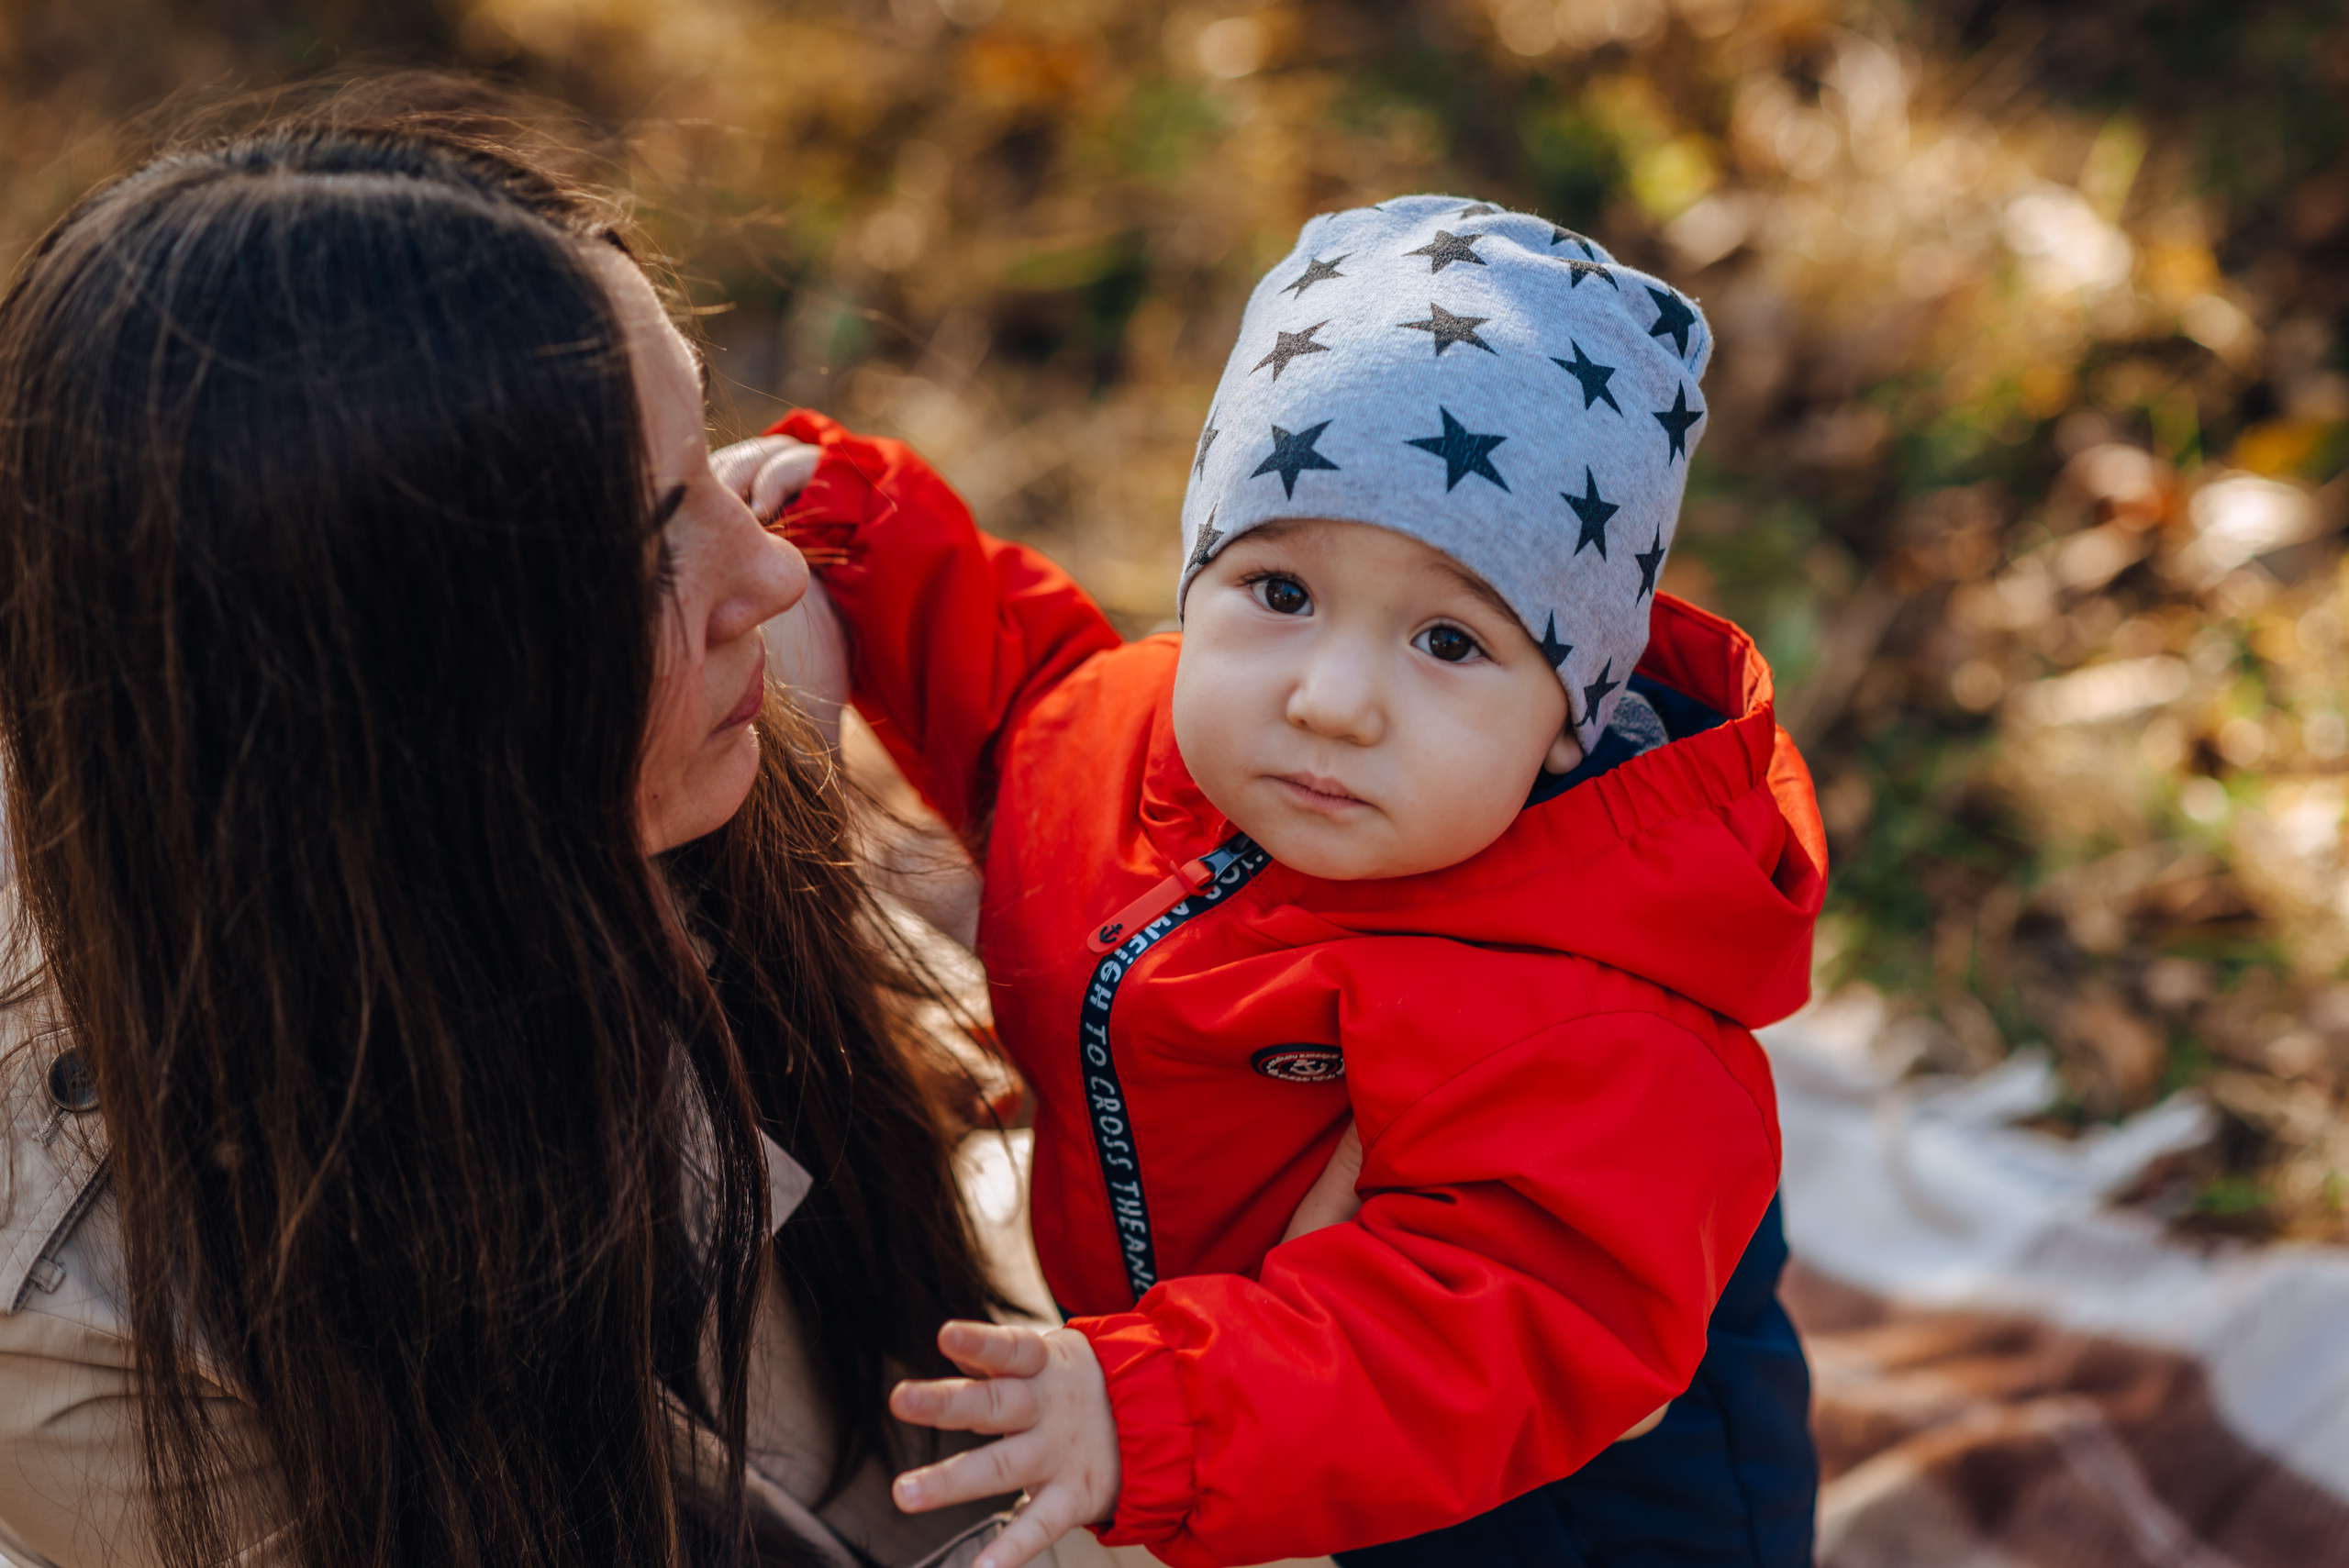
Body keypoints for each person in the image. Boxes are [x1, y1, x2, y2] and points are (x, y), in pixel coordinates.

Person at [725, 196, 1827, 1568]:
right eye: (1281, 591)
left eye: (1448, 637)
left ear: (1567, 720)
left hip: (1555, 1499)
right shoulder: (1140, 747)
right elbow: (1015, 697)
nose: (1333, 698)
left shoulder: (1598, 1012)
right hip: (1258, 1413)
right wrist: (859, 528)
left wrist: (1156, 1410)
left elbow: (1471, 1328)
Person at [0, 117, 1039, 1568]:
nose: (778, 566)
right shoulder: (99, 1335)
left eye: (703, 458)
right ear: (380, 710)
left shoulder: (729, 676)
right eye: (648, 539)